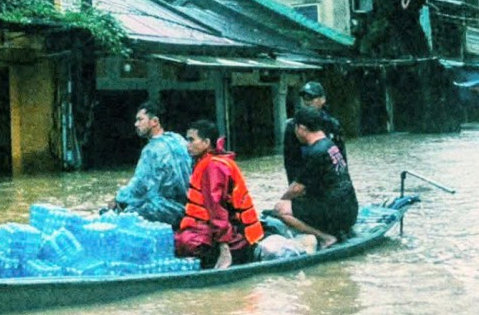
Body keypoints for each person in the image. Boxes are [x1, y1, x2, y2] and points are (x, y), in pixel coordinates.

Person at [174, 119, 263, 269]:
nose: (187, 145)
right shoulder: (209, 162)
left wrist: (224, 248)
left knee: (185, 243)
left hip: (232, 232)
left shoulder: (213, 167)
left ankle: (227, 251)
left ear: (206, 142)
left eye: (191, 140)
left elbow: (217, 210)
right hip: (229, 227)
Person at [273, 106, 358, 250]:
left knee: (280, 209)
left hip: (337, 215)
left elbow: (297, 189)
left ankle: (325, 237)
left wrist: (284, 198)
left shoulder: (315, 152)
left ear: (301, 128)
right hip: (351, 210)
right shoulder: (331, 145)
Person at [106, 100, 192, 227]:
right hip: (189, 205)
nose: (136, 124)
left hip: (168, 208)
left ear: (154, 122)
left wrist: (118, 199)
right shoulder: (177, 139)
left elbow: (139, 185)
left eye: (140, 120)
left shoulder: (151, 150)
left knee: (121, 217)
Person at [283, 80, 347, 184]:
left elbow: (341, 159)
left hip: (329, 183)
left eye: (311, 97)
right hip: (305, 182)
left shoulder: (332, 125)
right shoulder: (294, 126)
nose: (307, 101)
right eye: (304, 98)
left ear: (323, 100)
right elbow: (290, 163)